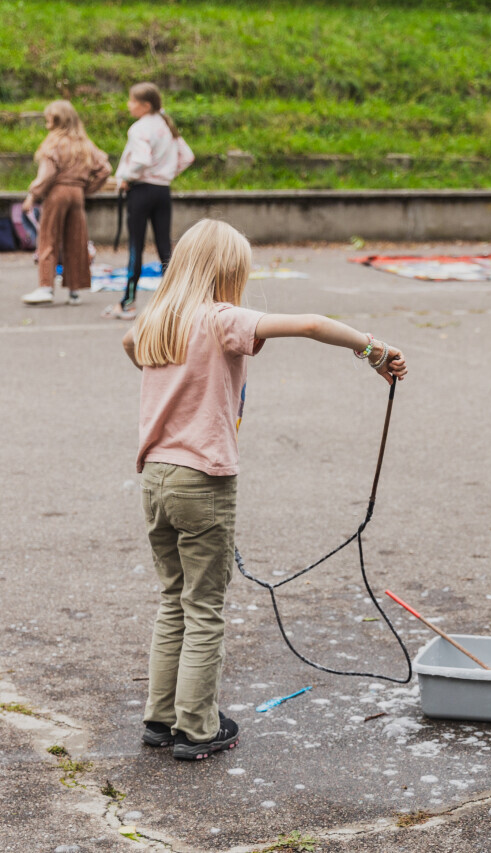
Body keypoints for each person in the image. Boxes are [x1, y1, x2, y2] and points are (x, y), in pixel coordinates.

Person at [121, 219, 407, 760]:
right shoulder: (221, 319)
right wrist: (373, 349)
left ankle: (160, 719)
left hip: (155, 476)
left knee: (173, 599)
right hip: (202, 479)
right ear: (228, 273)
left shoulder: (157, 318)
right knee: (204, 606)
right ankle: (197, 728)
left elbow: (129, 342)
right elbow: (312, 323)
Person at [107, 82, 195, 321]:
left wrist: (126, 178)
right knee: (165, 247)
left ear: (145, 105)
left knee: (136, 247)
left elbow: (141, 160)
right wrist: (166, 173)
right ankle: (178, 304)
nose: (128, 105)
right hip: (162, 191)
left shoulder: (139, 128)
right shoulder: (166, 125)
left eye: (132, 101)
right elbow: (187, 157)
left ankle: (128, 303)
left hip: (141, 191)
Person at [19, 101, 111, 306]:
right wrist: (87, 189)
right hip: (77, 194)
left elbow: (47, 174)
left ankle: (46, 287)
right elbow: (105, 169)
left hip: (57, 193)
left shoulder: (53, 143)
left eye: (49, 119)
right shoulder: (84, 143)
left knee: (48, 239)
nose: (47, 123)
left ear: (57, 120)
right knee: (76, 241)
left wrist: (32, 195)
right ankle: (74, 291)